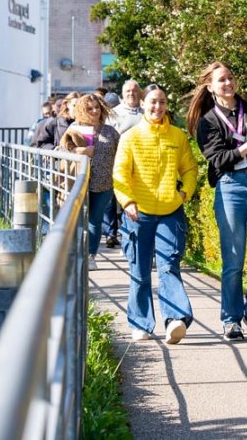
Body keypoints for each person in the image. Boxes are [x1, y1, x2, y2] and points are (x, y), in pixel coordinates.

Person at [186, 62, 247, 342]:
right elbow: (220, 159)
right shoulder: (208, 122)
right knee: (234, 260)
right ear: (210, 87)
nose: (228, 83)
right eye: (221, 80)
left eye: (230, 78)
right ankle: (231, 319)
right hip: (231, 188)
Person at [113, 83, 198, 345]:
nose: (157, 106)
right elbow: (120, 173)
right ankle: (140, 324)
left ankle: (175, 320)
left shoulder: (177, 136)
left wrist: (184, 194)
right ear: (142, 104)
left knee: (169, 266)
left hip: (170, 211)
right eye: (152, 102)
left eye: (162, 101)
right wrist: (127, 201)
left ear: (166, 105)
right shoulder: (130, 137)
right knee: (139, 271)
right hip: (139, 213)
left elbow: (190, 169)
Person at [62, 93, 120, 262]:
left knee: (95, 219)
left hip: (104, 183)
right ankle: (75, 254)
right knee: (78, 220)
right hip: (78, 182)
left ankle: (90, 256)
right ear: (82, 110)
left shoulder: (110, 132)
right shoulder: (74, 129)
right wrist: (78, 151)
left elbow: (122, 153)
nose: (94, 111)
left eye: (97, 108)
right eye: (90, 108)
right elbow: (59, 151)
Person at [102, 79, 144, 247]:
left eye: (135, 91)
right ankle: (112, 233)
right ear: (123, 94)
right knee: (114, 200)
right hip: (117, 161)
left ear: (140, 93)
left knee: (132, 201)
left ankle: (129, 236)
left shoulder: (146, 112)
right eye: (128, 91)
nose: (131, 94)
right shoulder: (114, 113)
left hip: (141, 164)